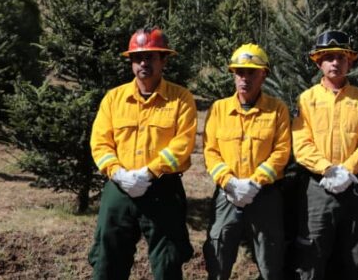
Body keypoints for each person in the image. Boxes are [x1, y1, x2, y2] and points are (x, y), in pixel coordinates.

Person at [88, 28, 196, 280]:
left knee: (167, 260)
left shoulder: (181, 99)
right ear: (131, 62)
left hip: (163, 189)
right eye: (138, 58)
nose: (143, 63)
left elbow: (183, 144)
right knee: (107, 258)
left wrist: (149, 173)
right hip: (119, 188)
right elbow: (100, 143)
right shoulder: (114, 99)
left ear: (163, 60)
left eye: (151, 57)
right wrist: (118, 173)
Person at [292, 30, 358, 279]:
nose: (335, 63)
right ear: (318, 62)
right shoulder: (307, 100)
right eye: (328, 57)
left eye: (341, 58)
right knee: (312, 251)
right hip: (319, 188)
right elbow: (302, 143)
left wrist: (348, 170)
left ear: (349, 61)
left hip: (354, 187)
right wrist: (328, 169)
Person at [203, 43, 292, 280]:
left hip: (265, 195)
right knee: (218, 257)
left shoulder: (277, 110)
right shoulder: (218, 110)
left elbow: (282, 151)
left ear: (264, 74)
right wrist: (229, 182)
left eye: (252, 72)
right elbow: (210, 151)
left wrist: (256, 182)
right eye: (240, 72)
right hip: (227, 194)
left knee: (271, 262)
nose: (245, 78)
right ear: (233, 74)